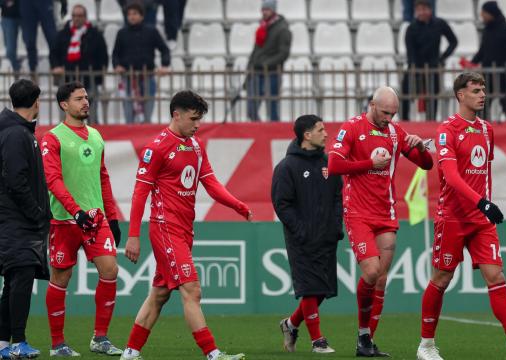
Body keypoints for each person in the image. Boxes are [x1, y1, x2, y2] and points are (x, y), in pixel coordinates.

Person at [416, 72, 506, 360]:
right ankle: (426, 345)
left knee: (496, 275)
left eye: (484, 90)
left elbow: (482, 173)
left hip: (480, 218)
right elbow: (450, 176)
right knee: (441, 278)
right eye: (476, 90)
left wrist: (484, 205)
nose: (482, 95)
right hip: (453, 216)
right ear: (460, 95)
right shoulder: (447, 130)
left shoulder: (487, 129)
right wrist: (482, 202)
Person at [120, 90, 252, 360]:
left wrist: (238, 205)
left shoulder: (195, 145)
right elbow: (139, 193)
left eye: (200, 119)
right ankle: (212, 353)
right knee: (192, 289)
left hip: (183, 229)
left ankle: (131, 352)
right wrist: (133, 236)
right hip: (164, 226)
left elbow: (212, 184)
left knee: (159, 294)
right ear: (176, 115)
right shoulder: (157, 147)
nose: (197, 125)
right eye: (193, 119)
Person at [328, 86, 433, 357]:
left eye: (394, 113)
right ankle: (364, 333)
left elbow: (427, 165)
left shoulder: (396, 133)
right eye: (385, 112)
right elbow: (335, 166)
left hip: (386, 215)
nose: (389, 118)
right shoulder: (352, 127)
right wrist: (369, 164)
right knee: (372, 273)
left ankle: (366, 340)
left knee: (381, 280)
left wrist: (420, 147)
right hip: (358, 213)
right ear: (372, 105)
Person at [41, 81, 122, 357]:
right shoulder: (53, 138)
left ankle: (100, 338)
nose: (86, 102)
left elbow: (102, 177)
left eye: (86, 97)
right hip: (64, 221)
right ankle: (57, 344)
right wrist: (76, 211)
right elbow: (53, 180)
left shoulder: (96, 136)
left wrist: (112, 217)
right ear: (65, 105)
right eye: (79, 99)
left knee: (110, 271)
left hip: (95, 220)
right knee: (61, 278)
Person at [272, 115, 343, 354]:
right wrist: (301, 230)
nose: (326, 134)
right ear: (307, 135)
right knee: (310, 288)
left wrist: (335, 227)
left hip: (326, 237)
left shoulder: (329, 163)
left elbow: (337, 198)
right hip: (301, 239)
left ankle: (290, 324)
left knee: (321, 289)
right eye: (321, 130)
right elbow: (282, 204)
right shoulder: (286, 167)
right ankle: (317, 341)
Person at [0, 79, 50, 359]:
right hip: (17, 222)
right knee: (21, 279)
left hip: (13, 221)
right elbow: (15, 181)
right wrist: (37, 214)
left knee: (13, 282)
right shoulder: (17, 135)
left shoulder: (15, 131)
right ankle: (18, 342)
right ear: (36, 102)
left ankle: (4, 344)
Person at [460, 1, 506, 121]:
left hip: (504, 74)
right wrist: (472, 62)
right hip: (487, 74)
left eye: (484, 12)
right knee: (483, 103)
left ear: (491, 13)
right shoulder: (487, 30)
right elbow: (483, 51)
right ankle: (483, 128)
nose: (482, 15)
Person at [112, 1, 170, 124]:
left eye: (135, 13)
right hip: (128, 77)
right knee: (128, 108)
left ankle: (145, 133)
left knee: (148, 108)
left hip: (147, 75)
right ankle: (130, 132)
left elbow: (164, 49)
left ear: (142, 16)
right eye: (129, 14)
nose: (132, 16)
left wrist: (164, 65)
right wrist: (117, 65)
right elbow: (115, 54)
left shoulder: (152, 31)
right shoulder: (121, 33)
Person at [50, 4, 109, 123]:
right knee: (66, 115)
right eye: (74, 16)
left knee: (91, 114)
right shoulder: (62, 34)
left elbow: (103, 57)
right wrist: (56, 67)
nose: (76, 18)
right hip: (67, 81)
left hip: (89, 80)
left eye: (80, 16)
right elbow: (53, 54)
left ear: (85, 17)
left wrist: (98, 76)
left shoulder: (95, 35)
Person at [401, 0, 457, 121]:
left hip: (433, 67)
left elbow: (453, 41)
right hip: (415, 68)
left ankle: (431, 123)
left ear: (430, 10)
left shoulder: (439, 24)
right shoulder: (411, 28)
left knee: (433, 99)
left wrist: (442, 58)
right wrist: (415, 69)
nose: (422, 13)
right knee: (405, 95)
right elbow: (410, 52)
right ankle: (404, 122)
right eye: (419, 10)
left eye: (424, 9)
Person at [246, 0, 291, 122]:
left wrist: (265, 64)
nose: (264, 12)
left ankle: (273, 131)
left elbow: (284, 53)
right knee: (251, 109)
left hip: (272, 73)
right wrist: (249, 69)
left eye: (267, 10)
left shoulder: (283, 29)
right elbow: (255, 51)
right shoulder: (262, 28)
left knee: (272, 109)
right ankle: (258, 130)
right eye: (263, 9)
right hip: (256, 72)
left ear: (273, 10)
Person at [19, 0, 61, 72]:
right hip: (26, 4)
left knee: (53, 39)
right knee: (29, 41)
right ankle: (33, 69)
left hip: (44, 3)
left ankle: (56, 67)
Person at [1, 0, 21, 73]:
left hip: (27, 13)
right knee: (10, 51)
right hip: (8, 17)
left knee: (30, 44)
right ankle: (16, 68)